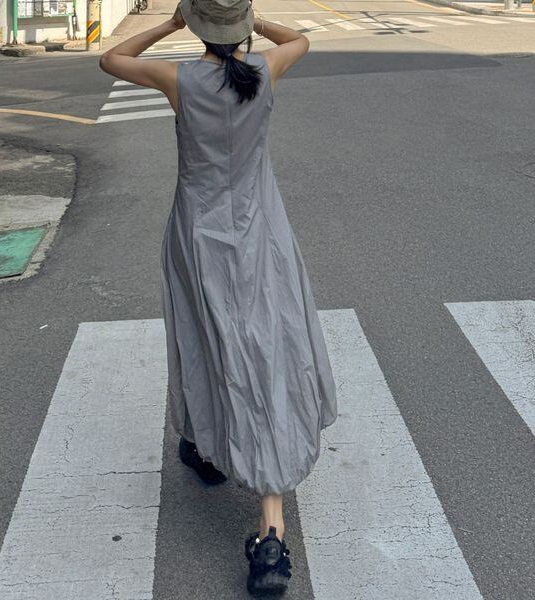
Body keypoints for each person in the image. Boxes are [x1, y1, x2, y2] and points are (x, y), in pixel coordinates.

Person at [99, 0, 337, 594]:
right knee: (266, 346)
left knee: (205, 336)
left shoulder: (178, 79)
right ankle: (264, 521)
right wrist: (256, 22)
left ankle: (216, 457)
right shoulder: (265, 69)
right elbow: (300, 39)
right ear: (242, 27)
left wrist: (169, 24)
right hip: (260, 232)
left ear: (199, 25)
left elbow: (111, 58)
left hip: (198, 233)